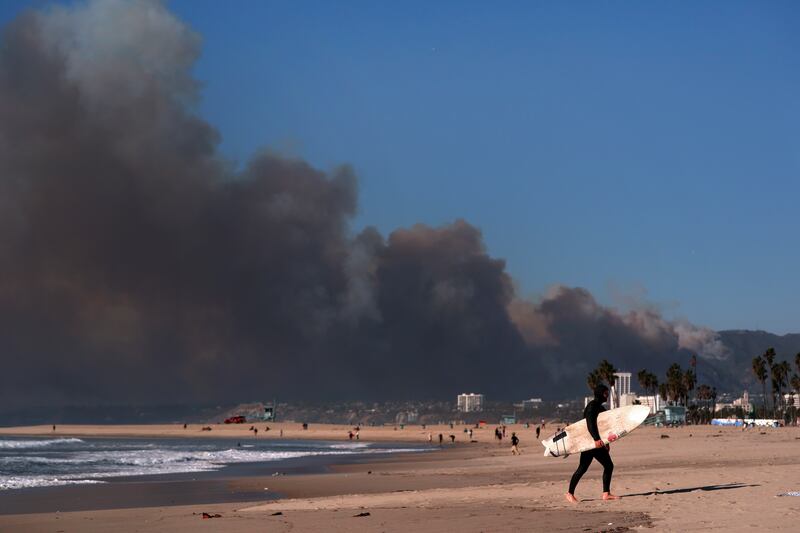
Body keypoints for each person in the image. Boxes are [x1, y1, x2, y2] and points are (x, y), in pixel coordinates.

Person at [565, 384, 619, 503]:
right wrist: (596, 439)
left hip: (597, 442)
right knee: (589, 467)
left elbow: (604, 427)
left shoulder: (600, 408)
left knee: (593, 467)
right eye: (605, 393)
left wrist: (607, 442)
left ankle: (606, 493)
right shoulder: (592, 406)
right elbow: (590, 424)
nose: (607, 395)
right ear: (600, 393)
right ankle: (570, 493)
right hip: (591, 443)